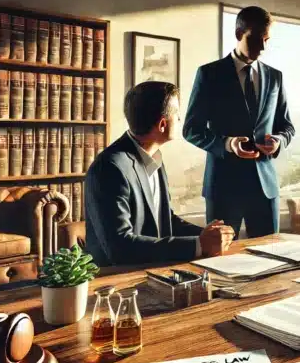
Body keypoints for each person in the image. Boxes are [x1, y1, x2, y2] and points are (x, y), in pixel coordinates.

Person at [84, 81, 235, 266]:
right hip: (116, 280)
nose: (180, 120)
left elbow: (166, 220)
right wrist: (199, 244)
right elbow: (120, 247)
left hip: (154, 269)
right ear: (162, 124)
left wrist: (209, 235)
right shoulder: (109, 168)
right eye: (177, 115)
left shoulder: (154, 156)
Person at [183, 5, 295, 238]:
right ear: (238, 34)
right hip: (223, 188)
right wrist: (227, 144)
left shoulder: (275, 77)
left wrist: (278, 142)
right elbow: (191, 129)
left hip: (265, 188)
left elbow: (287, 127)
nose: (263, 47)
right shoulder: (209, 74)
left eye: (267, 40)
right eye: (256, 39)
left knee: (271, 257)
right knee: (221, 257)